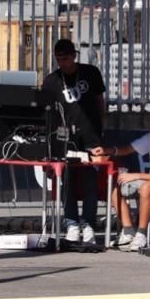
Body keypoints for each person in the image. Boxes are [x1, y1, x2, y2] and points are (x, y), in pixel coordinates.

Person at [91, 106, 150, 251]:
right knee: (116, 185)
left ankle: (141, 234)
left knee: (146, 187)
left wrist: (136, 175)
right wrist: (108, 150)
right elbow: (128, 149)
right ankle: (129, 231)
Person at [42, 38, 107, 245]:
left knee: (89, 181)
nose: (63, 63)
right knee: (67, 181)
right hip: (64, 138)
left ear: (74, 56)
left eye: (66, 58)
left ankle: (88, 224)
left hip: (90, 136)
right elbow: (47, 112)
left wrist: (100, 131)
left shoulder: (91, 72)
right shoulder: (52, 80)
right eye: (59, 59)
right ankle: (71, 223)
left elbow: (99, 102)